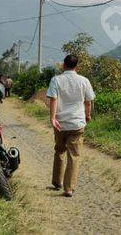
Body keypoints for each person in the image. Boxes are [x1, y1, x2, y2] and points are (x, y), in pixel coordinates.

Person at [47, 54, 95, 197]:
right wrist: (87, 115)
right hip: (77, 123)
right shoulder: (84, 81)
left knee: (59, 150)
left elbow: (53, 100)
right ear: (77, 66)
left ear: (63, 65)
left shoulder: (56, 80)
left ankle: (57, 182)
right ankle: (68, 188)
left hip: (60, 123)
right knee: (74, 155)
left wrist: (52, 118)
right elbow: (88, 101)